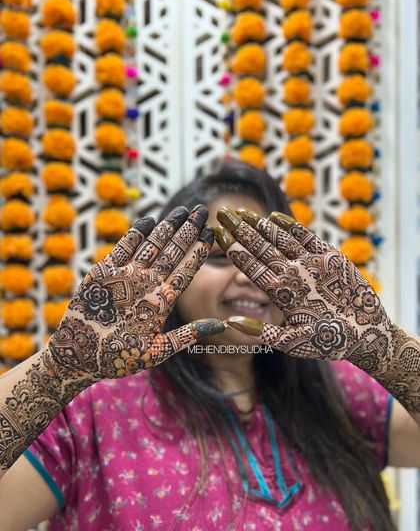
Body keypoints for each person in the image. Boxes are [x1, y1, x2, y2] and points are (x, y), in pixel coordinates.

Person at [0, 160, 419, 531]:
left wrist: (385, 348)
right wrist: (59, 369)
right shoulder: (93, 409)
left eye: (267, 261)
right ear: (170, 277)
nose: (249, 277)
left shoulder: (338, 390)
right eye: (219, 258)